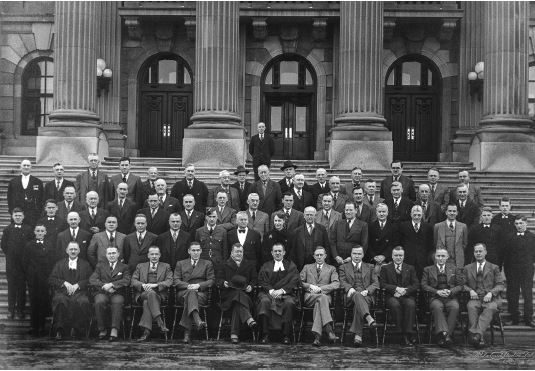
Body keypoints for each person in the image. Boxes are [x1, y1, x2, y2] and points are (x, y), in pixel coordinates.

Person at [48, 241, 93, 340]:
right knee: (60, 300)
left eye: (75, 249)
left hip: (79, 292)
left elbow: (90, 279)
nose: (73, 251)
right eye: (71, 249)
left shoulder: (85, 264)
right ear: (67, 251)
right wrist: (64, 283)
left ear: (79, 251)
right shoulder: (59, 264)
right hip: (62, 292)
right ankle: (60, 330)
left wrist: (78, 285)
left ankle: (77, 329)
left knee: (83, 301)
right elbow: (52, 278)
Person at [463, 243, 505, 347]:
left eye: (480, 251)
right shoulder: (468, 268)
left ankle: (475, 335)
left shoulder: (494, 267)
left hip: (491, 298)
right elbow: (462, 284)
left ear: (485, 252)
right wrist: (470, 291)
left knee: (490, 308)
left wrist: (491, 293)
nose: (478, 253)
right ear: (473, 253)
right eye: (476, 251)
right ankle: (479, 337)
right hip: (475, 297)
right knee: (471, 306)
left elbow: (500, 284)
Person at [257, 243, 300, 345]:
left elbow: (295, 280)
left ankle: (286, 335)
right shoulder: (265, 265)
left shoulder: (290, 265)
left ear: (284, 253)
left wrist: (282, 291)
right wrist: (272, 291)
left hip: (286, 294)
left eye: (279, 251)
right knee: (264, 302)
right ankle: (265, 334)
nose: (277, 253)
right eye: (275, 251)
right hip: (269, 293)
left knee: (289, 303)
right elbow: (262, 280)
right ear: (271, 253)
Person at [174, 242, 215, 344]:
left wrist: (198, 286)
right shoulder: (181, 263)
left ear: (201, 251)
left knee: (191, 295)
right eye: (193, 250)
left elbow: (211, 280)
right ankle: (197, 319)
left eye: (197, 250)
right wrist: (188, 286)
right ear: (189, 251)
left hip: (200, 294)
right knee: (190, 294)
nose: (195, 252)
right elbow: (176, 280)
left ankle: (187, 334)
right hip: (183, 293)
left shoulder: (207, 263)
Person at [216, 243, 258, 344]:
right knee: (237, 301)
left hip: (246, 296)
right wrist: (223, 283)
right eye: (236, 251)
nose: (239, 254)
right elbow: (218, 279)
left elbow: (255, 279)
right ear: (231, 253)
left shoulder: (249, 265)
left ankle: (234, 334)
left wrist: (251, 286)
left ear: (243, 253)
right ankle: (248, 319)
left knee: (238, 299)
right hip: (228, 297)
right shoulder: (224, 264)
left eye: (241, 252)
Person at [339, 246, 379, 347]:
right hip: (350, 296)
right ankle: (368, 318)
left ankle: (358, 336)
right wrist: (349, 288)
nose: (357, 256)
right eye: (354, 254)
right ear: (351, 254)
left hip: (366, 296)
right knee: (356, 295)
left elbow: (376, 283)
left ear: (363, 255)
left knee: (358, 304)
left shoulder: (370, 267)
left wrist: (367, 290)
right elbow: (342, 281)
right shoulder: (343, 267)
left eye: (359, 254)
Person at [89, 246, 131, 341]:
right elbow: (92, 279)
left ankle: (114, 329)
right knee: (99, 301)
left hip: (117, 293)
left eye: (113, 253)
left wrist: (112, 285)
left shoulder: (124, 267)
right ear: (106, 255)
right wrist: (105, 286)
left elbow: (127, 280)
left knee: (117, 302)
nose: (111, 255)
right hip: (102, 292)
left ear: (118, 254)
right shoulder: (100, 266)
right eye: (109, 253)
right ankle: (102, 329)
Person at [421, 249, 462, 346]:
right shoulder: (428, 269)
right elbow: (424, 285)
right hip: (435, 298)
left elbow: (460, 285)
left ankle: (444, 335)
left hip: (450, 297)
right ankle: (446, 335)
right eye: (438, 256)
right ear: (435, 257)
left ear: (447, 257)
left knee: (455, 306)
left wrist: (450, 291)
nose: (440, 258)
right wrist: (437, 292)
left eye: (443, 256)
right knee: (437, 307)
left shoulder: (454, 269)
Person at [299, 246, 340, 346]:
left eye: (321, 255)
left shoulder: (331, 268)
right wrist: (310, 286)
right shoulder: (307, 267)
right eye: (317, 255)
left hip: (324, 296)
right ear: (314, 256)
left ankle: (317, 337)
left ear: (325, 256)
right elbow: (299, 281)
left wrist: (321, 289)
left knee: (320, 302)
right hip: (310, 296)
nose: (319, 257)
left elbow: (336, 284)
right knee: (322, 298)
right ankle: (329, 330)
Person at [131, 246, 173, 341]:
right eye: (152, 254)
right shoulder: (140, 266)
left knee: (148, 301)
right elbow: (133, 280)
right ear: (148, 255)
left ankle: (146, 332)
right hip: (143, 293)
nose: (154, 256)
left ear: (160, 255)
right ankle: (160, 322)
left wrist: (155, 285)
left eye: (156, 254)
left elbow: (169, 281)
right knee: (149, 294)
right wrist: (143, 285)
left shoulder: (166, 266)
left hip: (159, 295)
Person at [379, 247, 419, 345]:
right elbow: (382, 284)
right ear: (392, 256)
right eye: (396, 255)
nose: (398, 257)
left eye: (400, 255)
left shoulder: (410, 268)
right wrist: (396, 289)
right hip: (392, 296)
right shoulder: (385, 268)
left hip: (406, 295)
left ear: (403, 256)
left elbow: (416, 284)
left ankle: (407, 332)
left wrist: (405, 291)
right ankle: (402, 333)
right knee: (395, 305)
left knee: (411, 304)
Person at [23, 223, 56, 336]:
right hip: (33, 278)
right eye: (38, 231)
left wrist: (49, 276)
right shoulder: (29, 245)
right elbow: (25, 262)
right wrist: (29, 275)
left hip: (45, 278)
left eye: (42, 231)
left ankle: (41, 326)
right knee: (34, 302)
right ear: (35, 232)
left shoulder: (49, 245)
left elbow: (52, 261)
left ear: (45, 233)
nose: (40, 233)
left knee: (42, 301)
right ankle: (33, 325)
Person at [3, 209, 36, 319]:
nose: (17, 217)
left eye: (20, 215)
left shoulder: (28, 229)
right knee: (12, 287)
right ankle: (11, 310)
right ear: (12, 216)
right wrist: (11, 255)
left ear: (23, 216)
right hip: (11, 264)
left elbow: (31, 244)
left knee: (22, 287)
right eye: (16, 215)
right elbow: (3, 245)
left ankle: (20, 310)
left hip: (23, 264)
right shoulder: (7, 230)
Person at [504, 217, 535, 327]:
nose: (519, 225)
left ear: (526, 223)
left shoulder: (532, 237)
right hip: (513, 271)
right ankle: (514, 318)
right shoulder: (510, 237)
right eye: (516, 223)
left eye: (521, 223)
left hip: (527, 271)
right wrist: (507, 271)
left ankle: (528, 319)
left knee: (528, 295)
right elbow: (506, 255)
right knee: (513, 295)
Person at [397, 205, 433, 279]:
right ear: (411, 214)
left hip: (423, 260)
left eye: (419, 215)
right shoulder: (403, 226)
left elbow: (430, 244)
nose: (417, 217)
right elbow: (400, 242)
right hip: (407, 259)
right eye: (415, 215)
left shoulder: (428, 227)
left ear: (422, 214)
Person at [290, 206, 330, 271]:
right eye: (307, 215)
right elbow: (293, 251)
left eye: (311, 215)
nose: (309, 217)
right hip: (301, 265)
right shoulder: (297, 231)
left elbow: (327, 247)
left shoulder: (322, 229)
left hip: (318, 264)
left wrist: (326, 263)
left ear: (315, 216)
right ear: (304, 216)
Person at [7, 159, 44, 227]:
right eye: (24, 165)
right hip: (17, 213)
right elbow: (9, 198)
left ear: (31, 167)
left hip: (32, 215)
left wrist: (38, 212)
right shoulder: (13, 182)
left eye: (28, 165)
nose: (26, 167)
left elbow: (41, 198)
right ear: (21, 167)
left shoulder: (38, 182)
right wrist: (12, 211)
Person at [434, 203, 468, 268]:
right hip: (442, 260)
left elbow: (464, 244)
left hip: (458, 261)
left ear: (457, 213)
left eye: (454, 211)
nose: (452, 213)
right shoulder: (438, 226)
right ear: (446, 212)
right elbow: (435, 242)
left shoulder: (463, 226)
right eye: (450, 211)